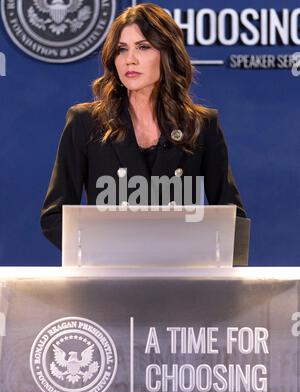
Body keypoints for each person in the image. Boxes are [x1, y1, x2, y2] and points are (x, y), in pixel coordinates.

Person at [40, 2, 246, 250]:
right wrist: (105, 251)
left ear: (167, 53)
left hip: (178, 275)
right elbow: (54, 217)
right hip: (109, 276)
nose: (130, 60)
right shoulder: (85, 122)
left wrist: (209, 268)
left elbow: (233, 219)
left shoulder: (201, 125)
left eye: (143, 47)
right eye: (121, 50)